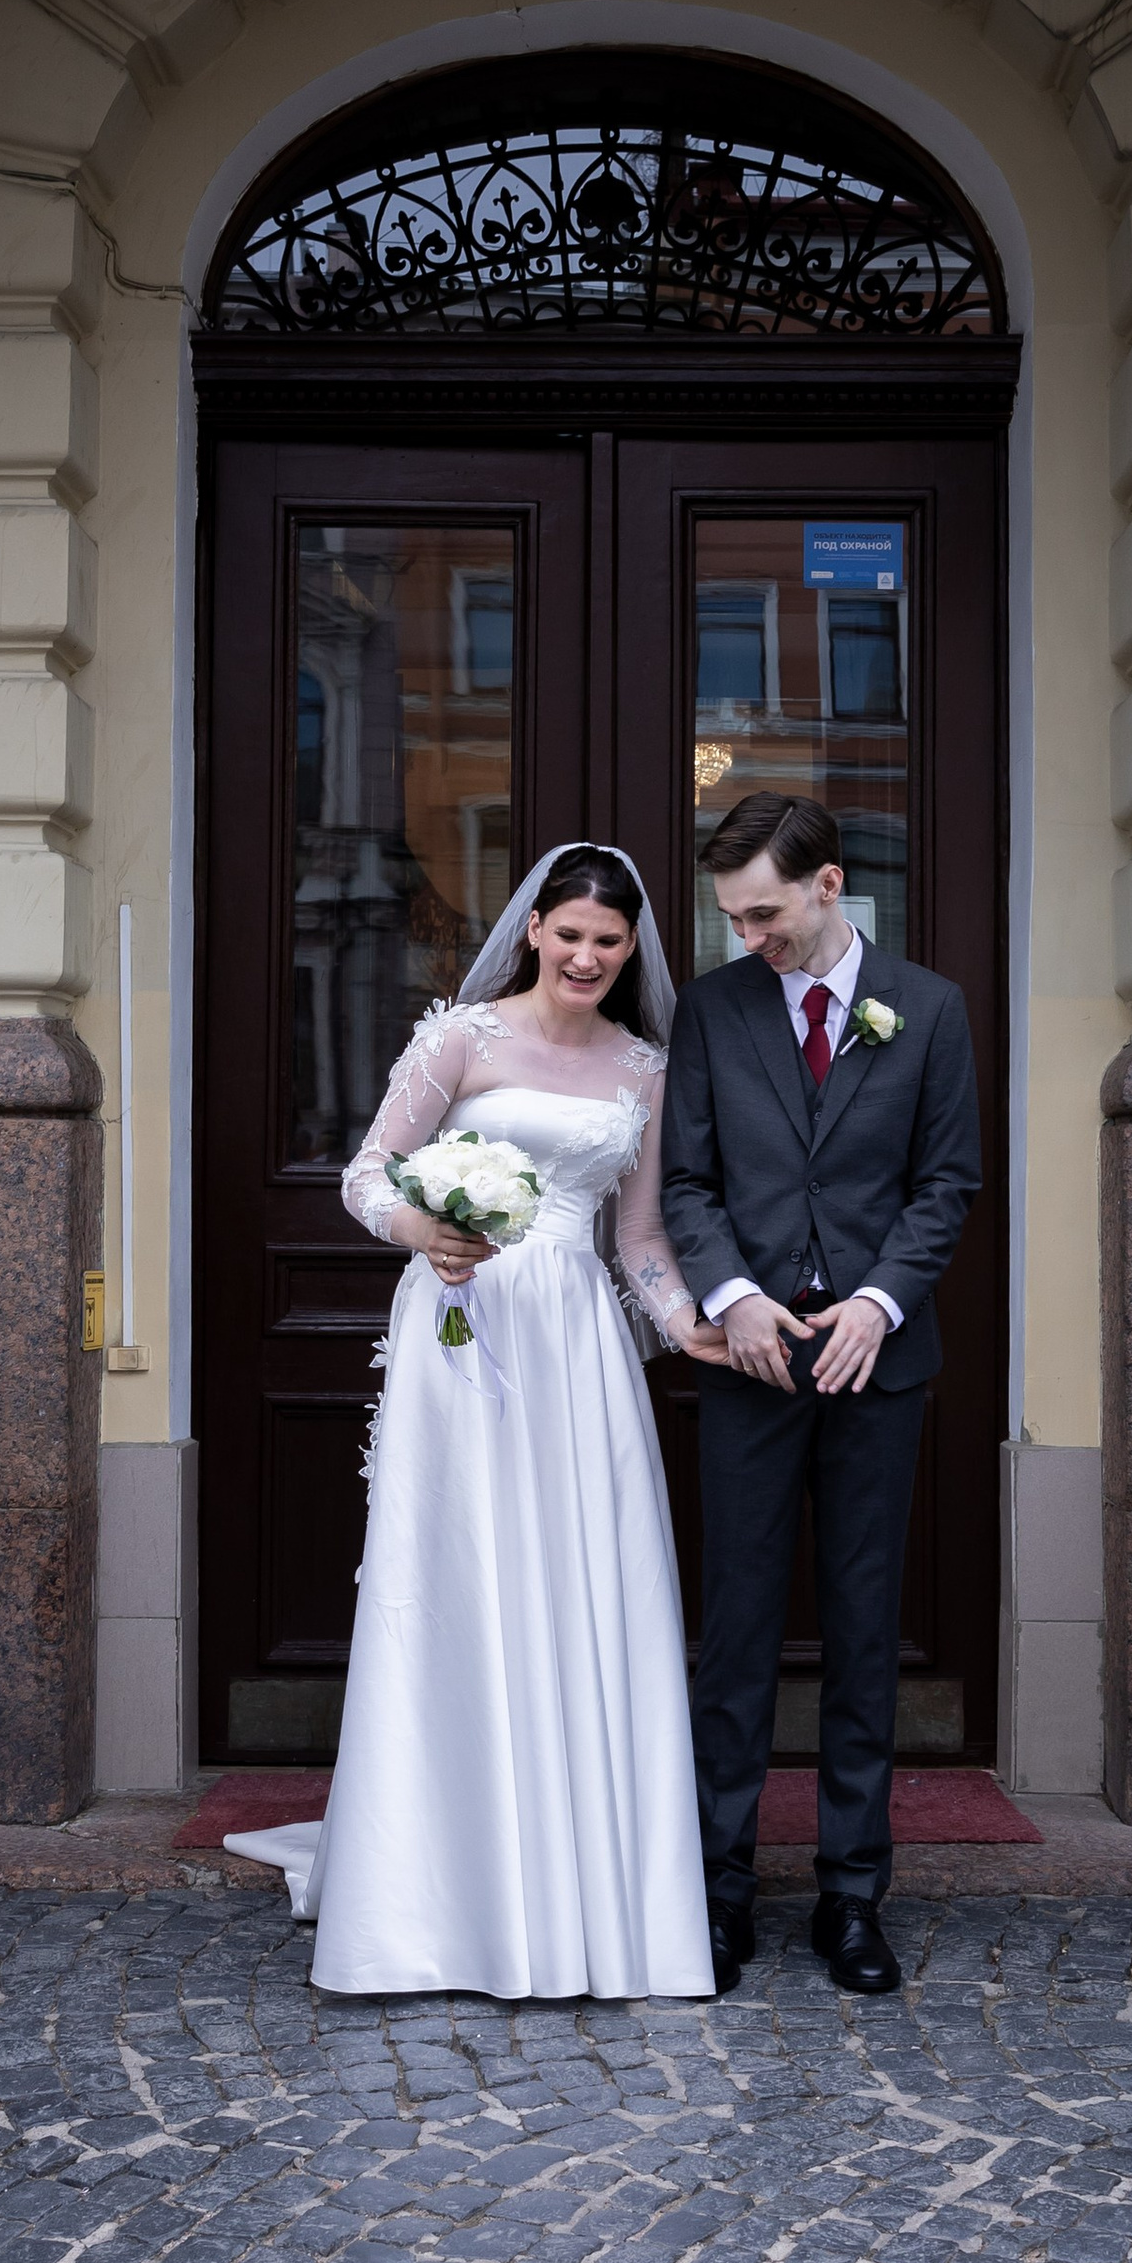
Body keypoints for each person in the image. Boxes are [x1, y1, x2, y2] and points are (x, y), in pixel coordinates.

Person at [248, 842, 720, 2000]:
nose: (588, 958)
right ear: (535, 931)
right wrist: (419, 1231)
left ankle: (587, 1891)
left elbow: (641, 1239)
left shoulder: (644, 1069)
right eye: (570, 935)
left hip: (575, 1341)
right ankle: (434, 1893)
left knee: (575, 1584)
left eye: (609, 944)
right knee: (458, 1575)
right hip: (461, 1326)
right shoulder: (461, 1037)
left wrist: (688, 1323)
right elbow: (369, 1173)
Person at [662, 792, 982, 2001]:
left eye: (767, 913)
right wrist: (733, 1296)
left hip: (875, 1364)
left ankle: (854, 1898)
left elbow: (946, 1184)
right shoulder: (712, 1007)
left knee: (860, 1633)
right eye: (734, 918)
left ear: (828, 885)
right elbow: (685, 1178)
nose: (753, 938)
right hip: (749, 1366)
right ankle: (718, 1888)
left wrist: (879, 1303)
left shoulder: (930, 1008)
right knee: (734, 1633)